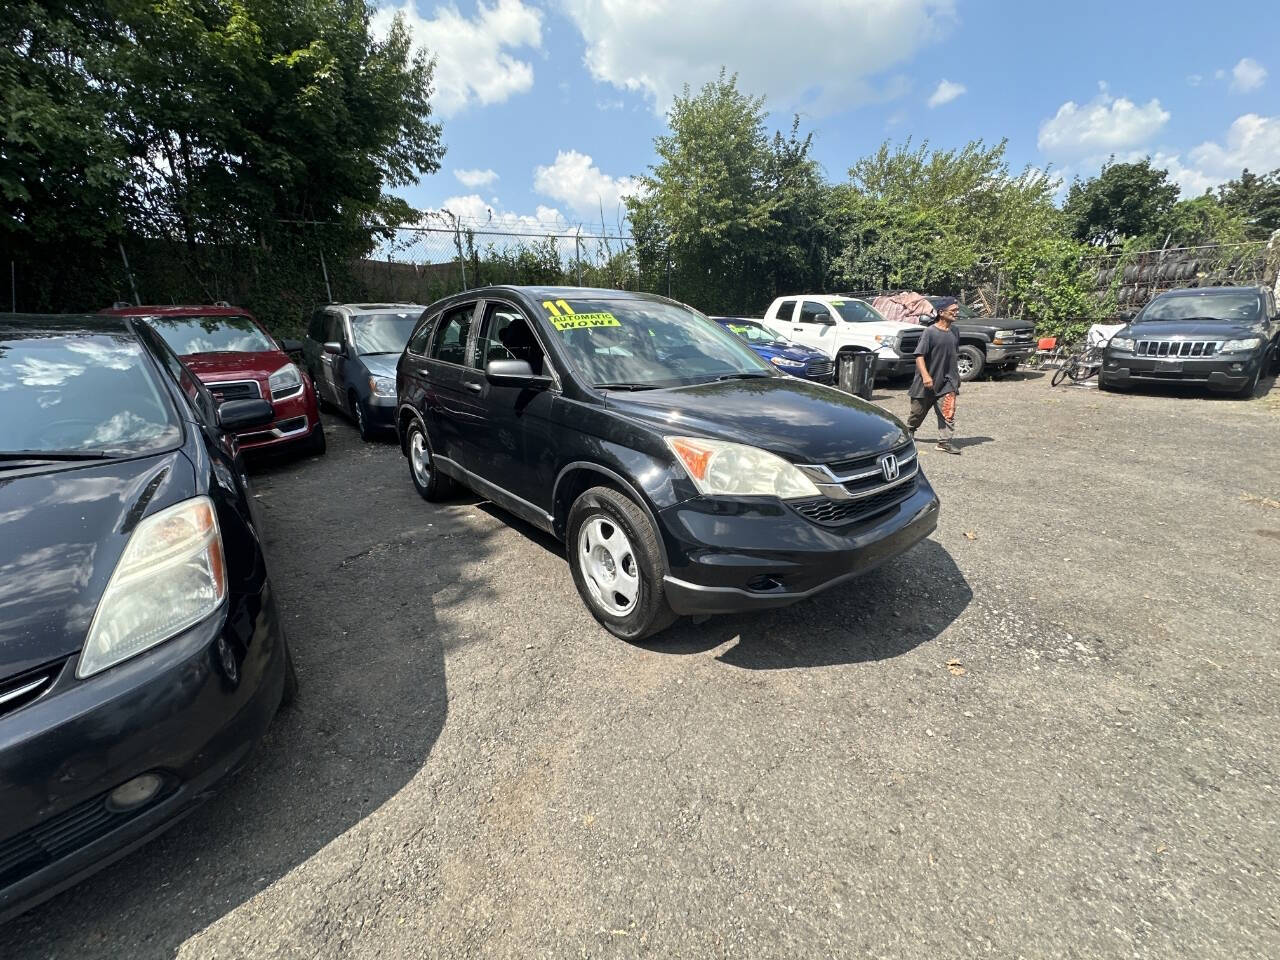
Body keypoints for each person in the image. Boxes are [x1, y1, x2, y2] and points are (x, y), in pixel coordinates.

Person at [907, 297, 961, 455]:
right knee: (917, 413)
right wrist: (925, 376)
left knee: (948, 412)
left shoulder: (955, 331)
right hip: (927, 381)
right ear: (941, 312)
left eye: (957, 311)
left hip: (947, 381)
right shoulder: (929, 332)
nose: (956, 314)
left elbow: (953, 355)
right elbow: (919, 355)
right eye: (953, 311)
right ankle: (909, 431)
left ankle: (944, 442)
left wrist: (956, 378)